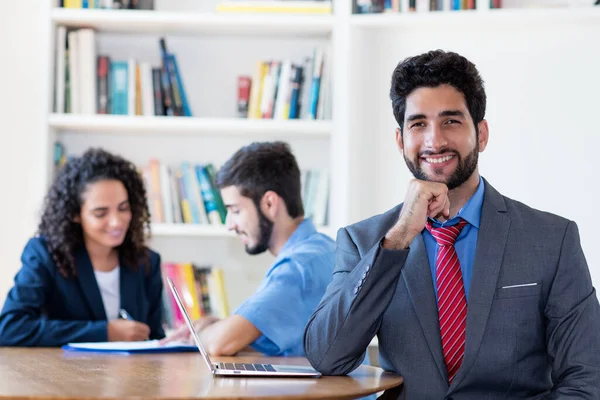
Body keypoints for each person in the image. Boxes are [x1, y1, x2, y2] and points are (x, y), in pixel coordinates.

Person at [303, 50, 600, 399]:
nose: (434, 140)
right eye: (418, 124)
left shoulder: (552, 239)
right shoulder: (365, 241)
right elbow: (327, 357)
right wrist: (398, 238)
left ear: (482, 134)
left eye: (451, 121)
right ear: (401, 141)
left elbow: (586, 380)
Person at [162, 141, 335, 357]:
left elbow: (220, 344)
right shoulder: (326, 249)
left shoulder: (297, 268)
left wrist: (204, 331)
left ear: (270, 204)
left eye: (235, 211)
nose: (230, 225)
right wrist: (222, 325)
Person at [0, 148, 165, 346]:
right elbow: (9, 328)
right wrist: (105, 332)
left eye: (123, 208)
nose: (116, 222)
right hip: (66, 374)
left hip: (131, 375)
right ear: (75, 214)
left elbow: (155, 337)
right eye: (101, 213)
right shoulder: (46, 255)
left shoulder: (146, 261)